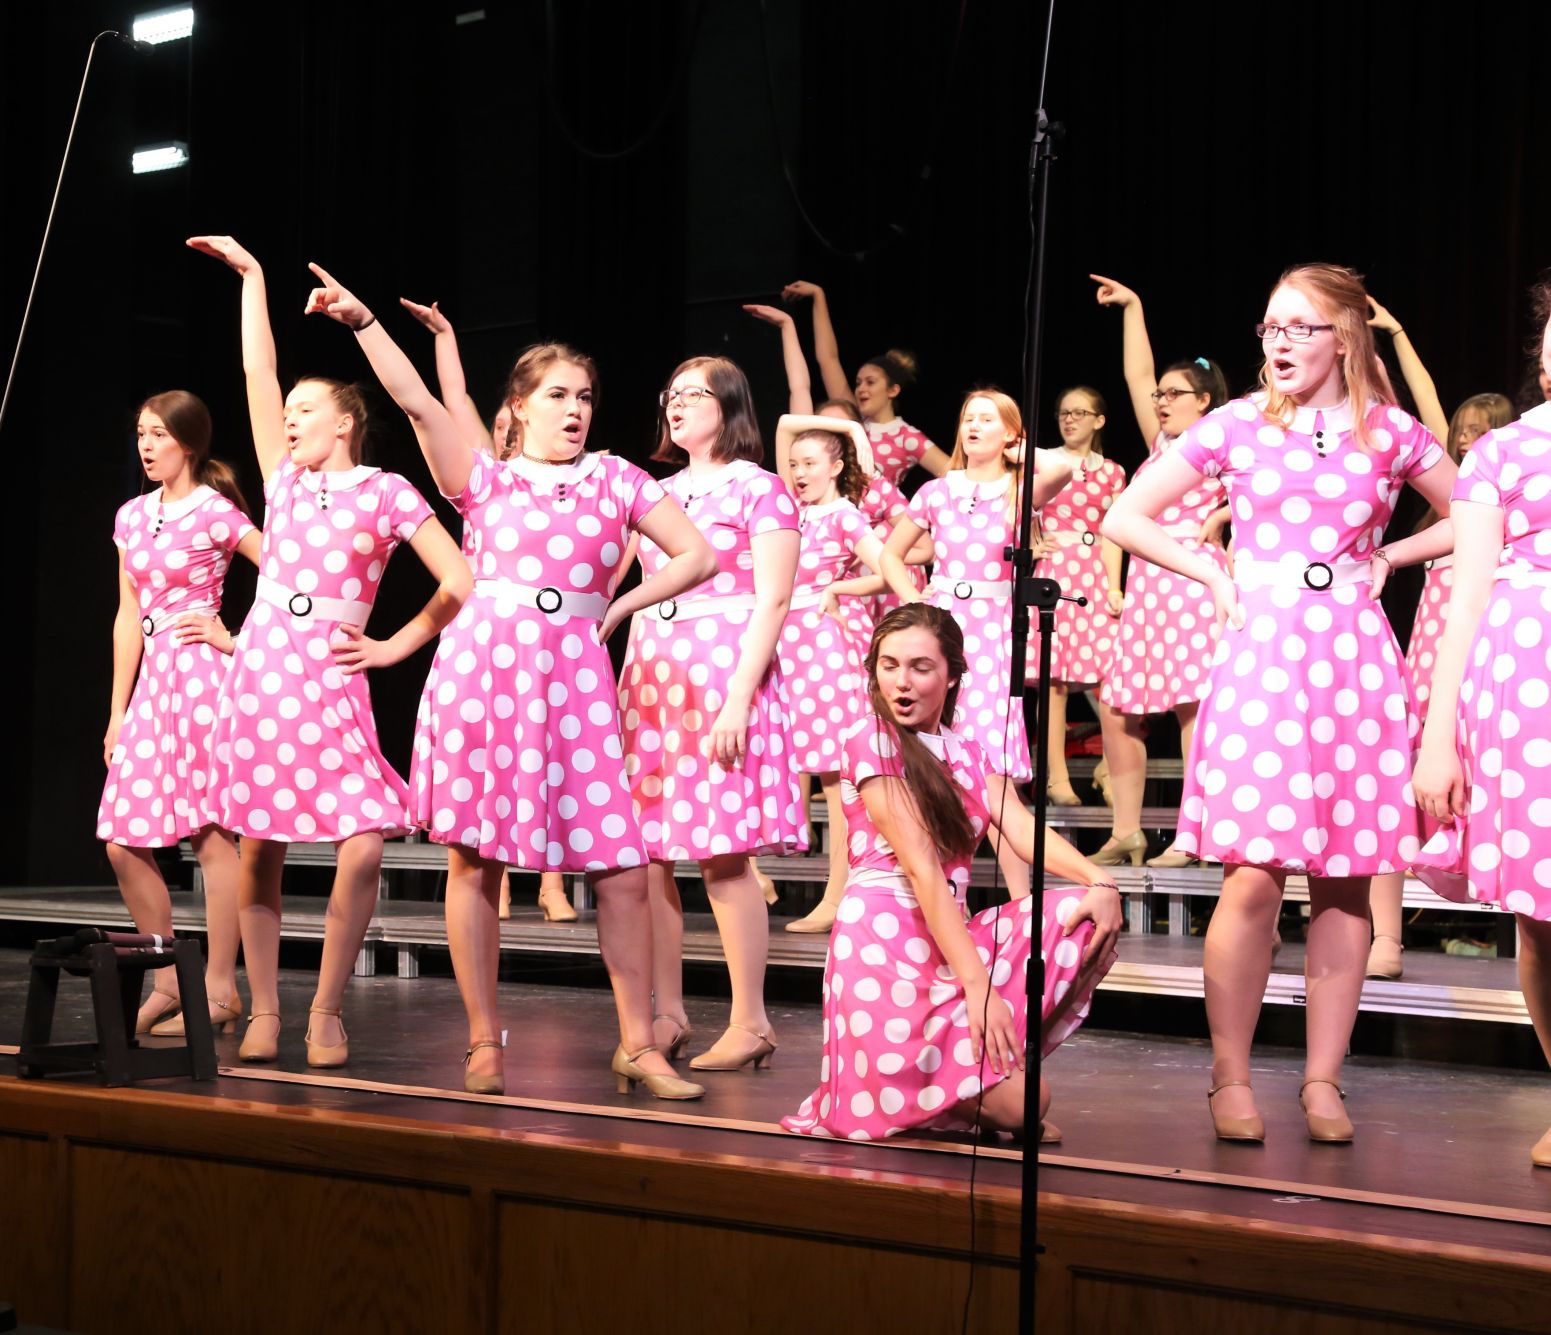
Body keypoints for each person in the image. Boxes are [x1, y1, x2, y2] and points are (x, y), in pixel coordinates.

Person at [1103, 262, 1457, 1143]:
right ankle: (1228, 1077)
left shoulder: (1392, 433)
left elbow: (1473, 513)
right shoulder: (1235, 425)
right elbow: (1127, 515)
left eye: (1300, 327)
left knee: (1342, 885)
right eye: (1270, 328)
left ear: (1344, 336)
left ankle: (1322, 1079)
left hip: (1352, 654)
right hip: (1263, 653)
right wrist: (1209, 569)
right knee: (1252, 876)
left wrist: (1390, 560)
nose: (1281, 343)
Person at [345, 281, 717, 1097]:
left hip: (574, 681)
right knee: (474, 861)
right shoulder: (483, 477)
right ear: (519, 404)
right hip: (484, 675)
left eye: (585, 396)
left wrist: (619, 603)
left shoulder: (617, 478)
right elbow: (413, 403)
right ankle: (483, 1039)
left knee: (619, 866)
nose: (575, 408)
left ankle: (636, 1042)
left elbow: (697, 556)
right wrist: (366, 323)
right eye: (557, 395)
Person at [189, 236, 471, 1069]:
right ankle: (268, 1007)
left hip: (331, 669)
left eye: (304, 413)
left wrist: (393, 646)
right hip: (265, 664)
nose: (288, 421)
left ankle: (326, 1007)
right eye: (287, 417)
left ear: (344, 421)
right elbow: (255, 377)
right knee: (258, 841)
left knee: (365, 839)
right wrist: (253, 279)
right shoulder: (282, 480)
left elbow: (459, 578)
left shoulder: (387, 490)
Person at [782, 603, 1122, 1140]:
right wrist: (976, 986)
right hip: (883, 951)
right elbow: (922, 872)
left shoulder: (967, 751)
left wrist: (1101, 881)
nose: (902, 681)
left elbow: (1022, 828)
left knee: (1076, 912)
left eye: (920, 667)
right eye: (888, 665)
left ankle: (960, 1081)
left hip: (948, 936)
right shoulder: (871, 741)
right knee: (1027, 1108)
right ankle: (937, 1090)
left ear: (952, 674)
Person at [618, 356, 806, 1072]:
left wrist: (737, 696)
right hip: (654, 677)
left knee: (723, 855)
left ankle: (751, 1018)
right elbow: (636, 594)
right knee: (651, 855)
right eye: (671, 394)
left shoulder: (761, 490)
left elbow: (774, 599)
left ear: (729, 406)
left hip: (721, 672)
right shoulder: (655, 493)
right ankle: (667, 1012)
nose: (677, 404)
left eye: (694, 393)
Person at [1413, 281, 1551, 1169]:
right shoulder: (1501, 451)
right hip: (1524, 687)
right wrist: (1436, 735)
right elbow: (1462, 600)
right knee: (1542, 917)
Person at [399, 297, 580, 925]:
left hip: (550, 641)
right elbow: (451, 403)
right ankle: (494, 884)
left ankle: (553, 886)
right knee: (493, 781)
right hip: (489, 643)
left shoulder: (582, 484)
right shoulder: (485, 476)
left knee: (549, 766)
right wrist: (445, 338)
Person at [98, 391, 261, 1035]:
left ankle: (221, 990)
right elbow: (126, 618)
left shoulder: (216, 512)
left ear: (187, 443)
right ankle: (168, 978)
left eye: (159, 434)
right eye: (141, 433)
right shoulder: (132, 516)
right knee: (121, 840)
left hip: (202, 679)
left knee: (213, 836)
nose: (146, 445)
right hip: (152, 685)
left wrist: (235, 638)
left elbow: (289, 575)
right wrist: (115, 710)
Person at [1365, 295, 1509, 979]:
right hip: (1429, 661)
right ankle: (1386, 936)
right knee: (1400, 787)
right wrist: (1393, 335)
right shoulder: (1447, 508)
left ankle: (1502, 919)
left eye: (1482, 431)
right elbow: (1411, 411)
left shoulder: (1511, 503)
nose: (1464, 441)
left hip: (1490, 667)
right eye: (1461, 432)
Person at [879, 390, 1073, 898]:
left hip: (993, 632)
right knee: (933, 756)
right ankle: (937, 888)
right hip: (942, 625)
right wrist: (915, 603)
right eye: (968, 417)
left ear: (1011, 432)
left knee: (992, 770)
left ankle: (1023, 901)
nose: (973, 426)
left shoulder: (1018, 488)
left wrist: (1019, 451)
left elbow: (1061, 469)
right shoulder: (937, 491)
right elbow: (892, 556)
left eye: (987, 419)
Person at [1086, 275, 1231, 866]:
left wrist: (1221, 512)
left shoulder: (1221, 443)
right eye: (1162, 396)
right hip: (1149, 584)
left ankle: (1194, 833)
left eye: (1175, 394)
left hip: (1194, 581)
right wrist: (1134, 309)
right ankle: (1128, 831)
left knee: (1191, 707)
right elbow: (1135, 377)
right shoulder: (1161, 447)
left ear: (1204, 402)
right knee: (1120, 710)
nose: (1162, 401)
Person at [771, 412, 888, 933]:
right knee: (798, 767)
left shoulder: (844, 514)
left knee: (838, 779)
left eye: (810, 463)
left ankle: (837, 895)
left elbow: (890, 568)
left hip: (825, 646)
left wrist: (840, 589)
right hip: (787, 642)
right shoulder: (793, 510)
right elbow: (780, 427)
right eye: (794, 464)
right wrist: (843, 430)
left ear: (837, 466)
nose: (797, 472)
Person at [1036, 386, 1128, 807]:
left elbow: (1115, 532)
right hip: (1056, 572)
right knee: (1054, 678)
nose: (1069, 419)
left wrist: (1114, 585)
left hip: (1093, 572)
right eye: (1063, 412)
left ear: (1099, 420)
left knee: (1111, 673)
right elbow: (1018, 508)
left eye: (1079, 412)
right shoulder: (1043, 461)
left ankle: (1111, 764)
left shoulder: (1112, 471)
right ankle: (1055, 775)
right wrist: (1035, 542)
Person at [781, 280, 952, 485]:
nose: (861, 388)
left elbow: (955, 474)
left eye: (871, 382)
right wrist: (819, 296)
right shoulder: (853, 418)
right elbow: (828, 359)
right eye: (858, 382)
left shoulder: (906, 436)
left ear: (893, 390)